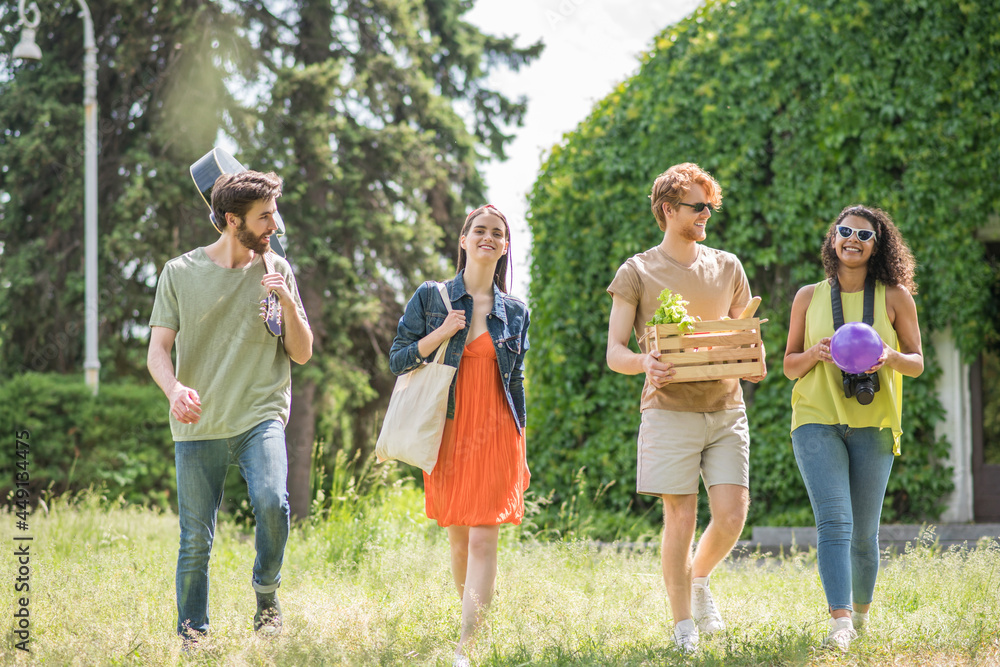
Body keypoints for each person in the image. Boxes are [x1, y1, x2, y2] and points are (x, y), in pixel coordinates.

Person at [147, 170, 313, 643]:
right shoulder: (179, 272)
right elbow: (157, 351)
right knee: (196, 540)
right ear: (230, 220)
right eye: (264, 217)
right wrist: (175, 390)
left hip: (260, 414)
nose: (274, 225)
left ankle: (266, 596)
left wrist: (285, 296)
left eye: (274, 214)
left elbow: (301, 352)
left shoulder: (276, 269)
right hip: (200, 425)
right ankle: (193, 635)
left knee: (272, 502)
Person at [606, 163, 765, 654]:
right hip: (668, 409)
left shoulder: (727, 265)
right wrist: (644, 362)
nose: (706, 215)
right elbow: (615, 352)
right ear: (668, 210)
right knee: (681, 518)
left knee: (733, 512)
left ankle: (699, 583)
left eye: (710, 207)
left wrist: (752, 359)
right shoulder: (637, 271)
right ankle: (684, 629)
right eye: (697, 207)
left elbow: (741, 337)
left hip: (725, 408)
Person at [388, 204, 530, 667]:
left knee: (484, 536)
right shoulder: (433, 298)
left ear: (505, 247)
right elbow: (398, 358)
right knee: (458, 537)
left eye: (497, 233)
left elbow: (516, 383)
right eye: (480, 230)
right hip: (448, 425)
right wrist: (442, 333)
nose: (488, 237)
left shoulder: (516, 311)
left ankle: (468, 646)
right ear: (464, 240)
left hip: (496, 427)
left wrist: (522, 447)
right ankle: (471, 620)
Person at [783, 205, 922, 651]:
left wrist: (890, 356)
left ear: (879, 246)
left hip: (874, 422)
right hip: (815, 418)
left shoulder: (896, 296)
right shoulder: (808, 296)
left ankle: (860, 620)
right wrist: (815, 355)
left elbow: (917, 363)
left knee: (864, 534)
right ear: (833, 238)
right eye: (845, 231)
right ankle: (839, 624)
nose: (852, 240)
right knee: (835, 523)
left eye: (864, 235)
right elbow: (788, 365)